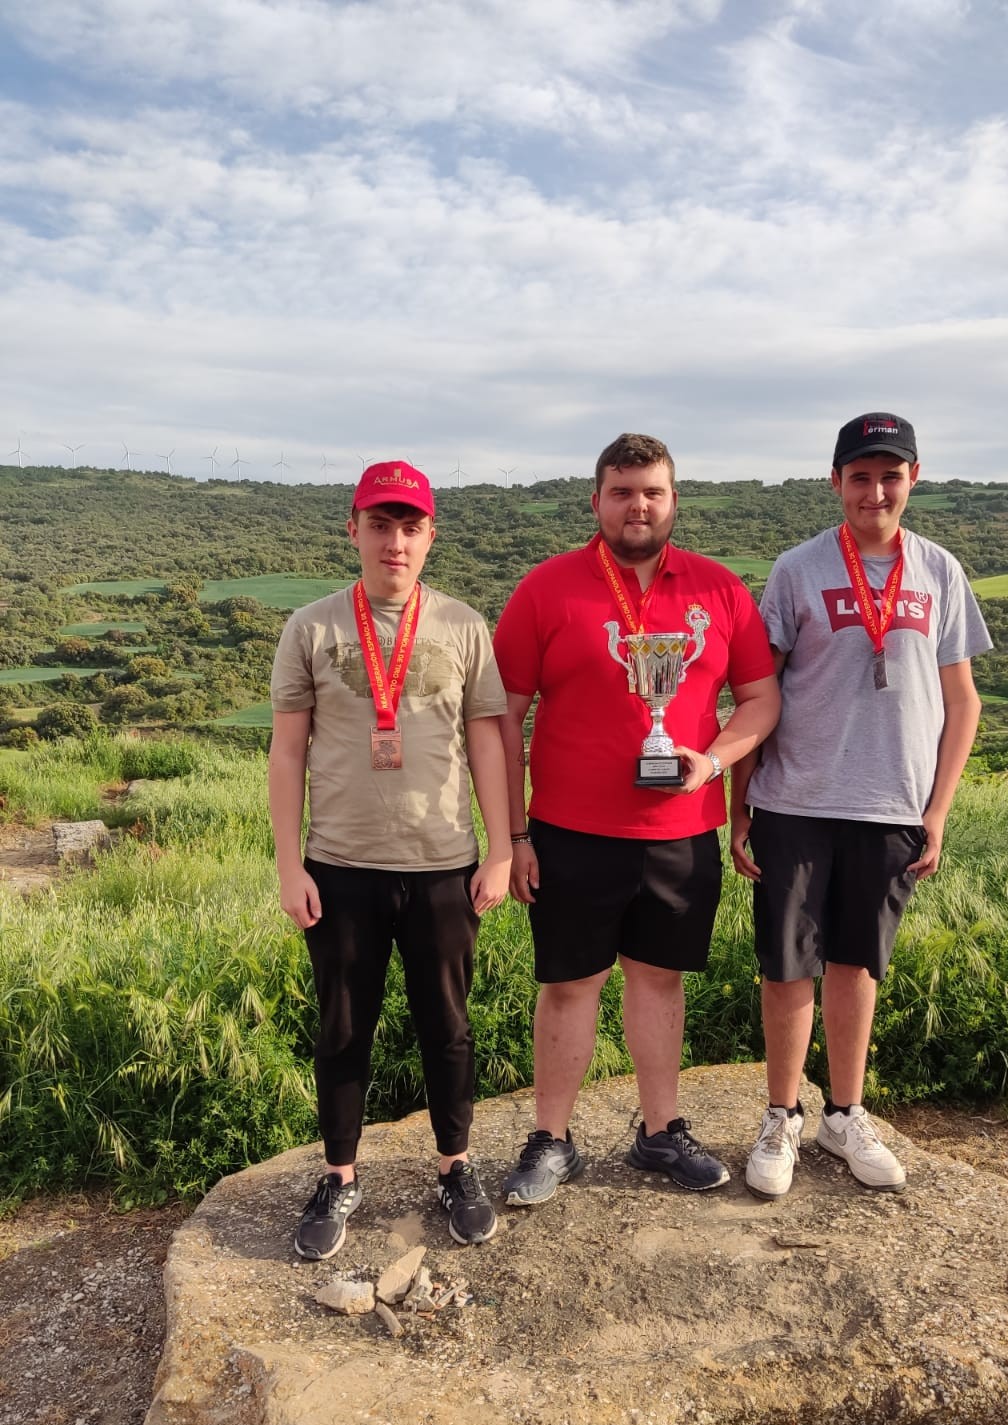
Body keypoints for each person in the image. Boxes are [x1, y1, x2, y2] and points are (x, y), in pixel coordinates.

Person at [493, 432, 780, 1204]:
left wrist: (712, 764)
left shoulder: (720, 590)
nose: (637, 505)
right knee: (568, 986)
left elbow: (761, 699)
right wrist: (512, 835)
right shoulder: (546, 588)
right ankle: (551, 1140)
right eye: (621, 492)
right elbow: (503, 715)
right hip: (568, 833)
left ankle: (660, 1134)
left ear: (674, 499)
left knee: (658, 984)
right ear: (596, 501)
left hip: (681, 833)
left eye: (651, 491)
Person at [731, 413, 990, 1198]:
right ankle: (782, 1115)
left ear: (914, 479)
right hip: (796, 799)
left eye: (891, 475)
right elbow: (756, 693)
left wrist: (937, 811)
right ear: (836, 480)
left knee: (857, 964)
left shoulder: (939, 571)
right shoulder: (796, 569)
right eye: (860, 475)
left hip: (891, 805)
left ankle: (844, 1112)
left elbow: (963, 702)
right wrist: (738, 809)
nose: (875, 490)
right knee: (787, 968)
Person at [268, 460, 511, 1256]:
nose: (395, 542)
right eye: (380, 524)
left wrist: (502, 848)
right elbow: (286, 753)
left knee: (448, 1027)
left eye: (411, 527)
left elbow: (486, 740)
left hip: (444, 863)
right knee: (343, 1028)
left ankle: (455, 1165)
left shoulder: (464, 625)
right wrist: (288, 864)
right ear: (354, 530)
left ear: (431, 535)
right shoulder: (311, 626)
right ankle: (339, 1175)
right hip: (340, 866)